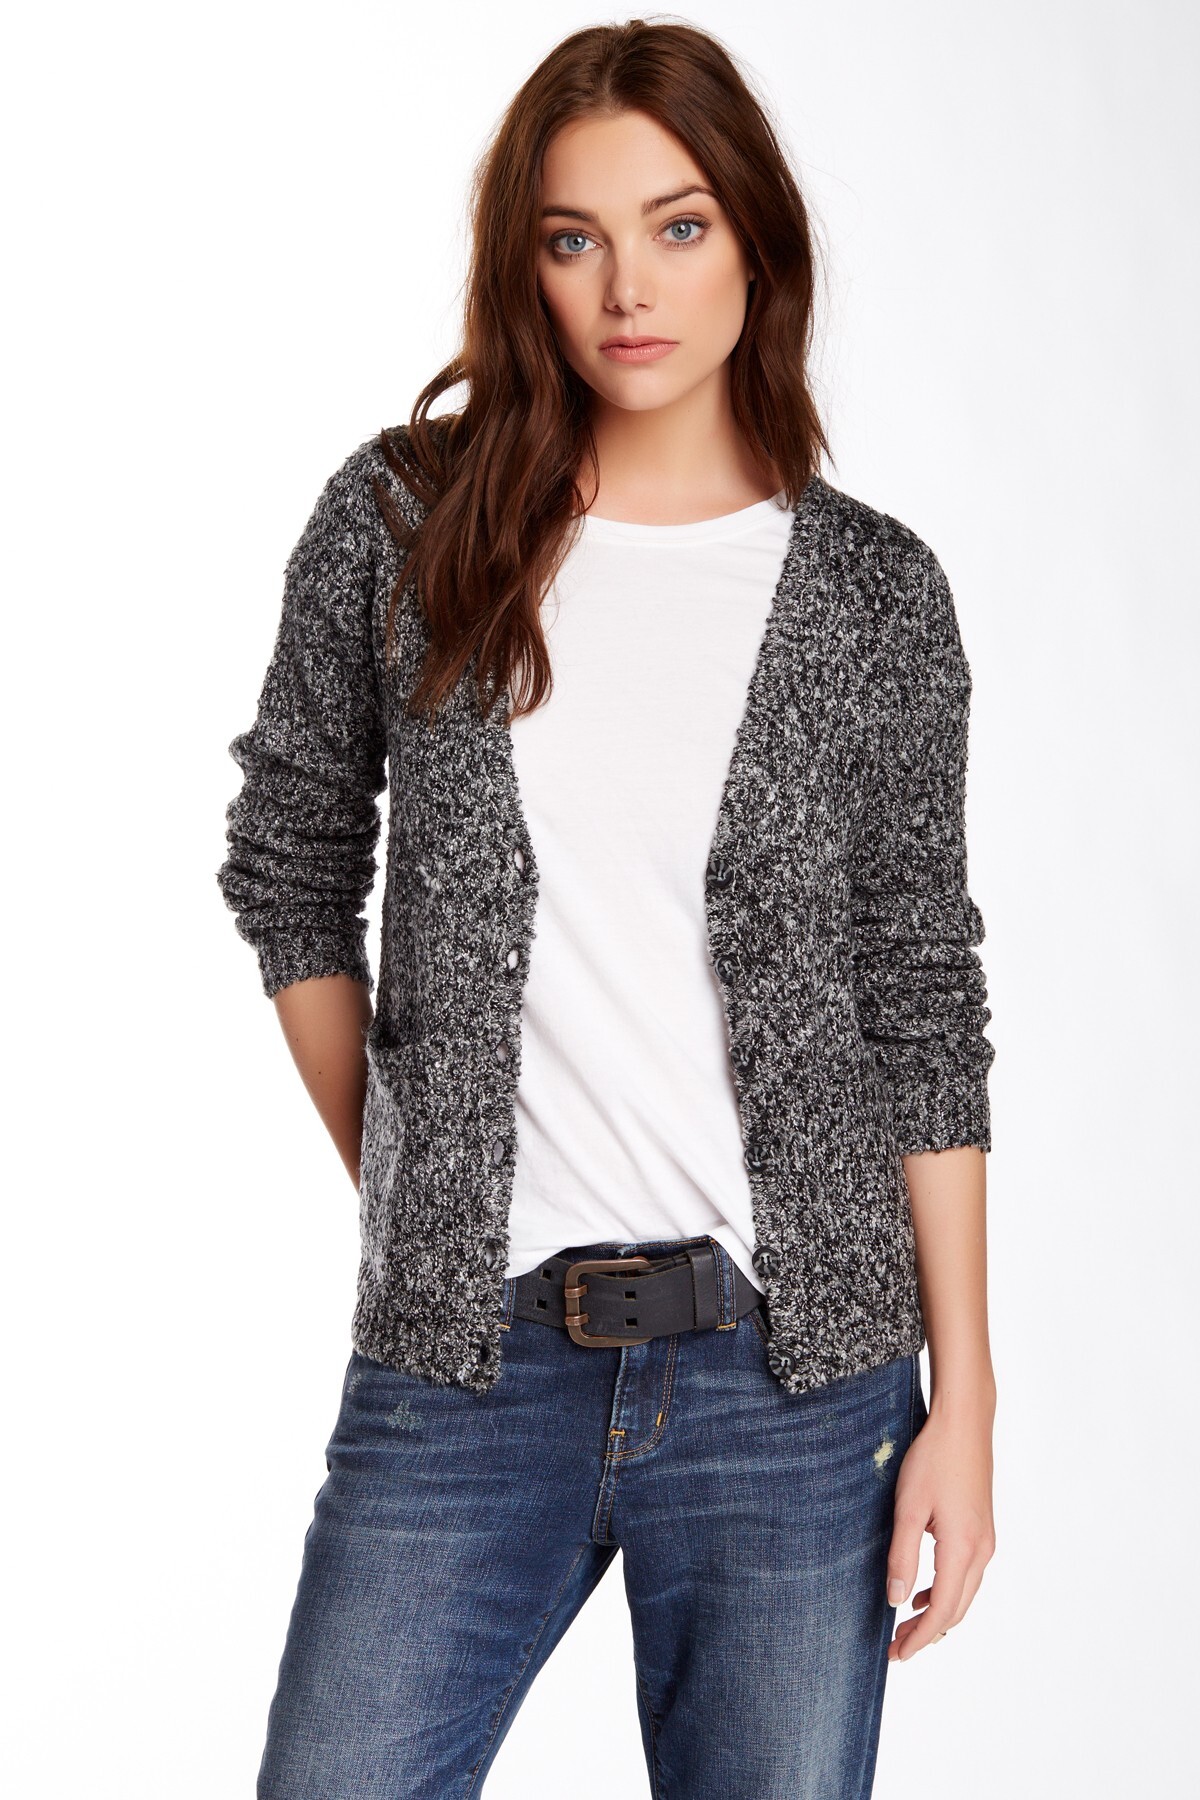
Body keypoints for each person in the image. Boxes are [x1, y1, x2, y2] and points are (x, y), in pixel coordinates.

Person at [216, 20, 998, 1799]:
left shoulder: (875, 596)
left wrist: (967, 1400)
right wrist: (420, 1183)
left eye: (678, 226)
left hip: (797, 1385)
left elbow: (921, 999)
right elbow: (290, 864)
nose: (628, 288)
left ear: (755, 246)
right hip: (464, 1366)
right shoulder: (406, 523)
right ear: (526, 266)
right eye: (574, 239)